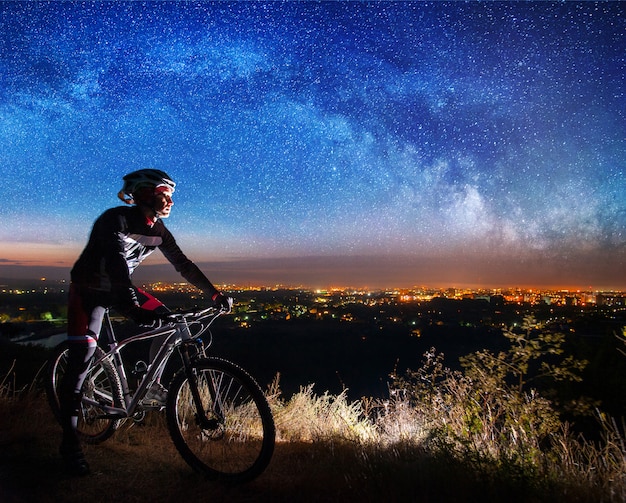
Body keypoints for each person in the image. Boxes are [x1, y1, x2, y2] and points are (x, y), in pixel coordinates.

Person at [59, 169, 231, 476]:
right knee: (81, 362)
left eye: (171, 195)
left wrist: (215, 294)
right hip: (88, 290)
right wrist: (134, 308)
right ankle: (69, 444)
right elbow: (115, 264)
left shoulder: (159, 230)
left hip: (119, 287)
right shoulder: (115, 220)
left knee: (171, 325)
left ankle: (150, 388)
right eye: (165, 194)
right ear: (144, 194)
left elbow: (183, 265)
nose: (170, 201)